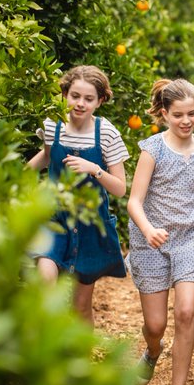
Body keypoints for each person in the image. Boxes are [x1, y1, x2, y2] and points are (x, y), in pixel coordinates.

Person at [126, 78, 194, 385]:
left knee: (186, 312)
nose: (186, 121)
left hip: (190, 240)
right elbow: (134, 201)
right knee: (156, 326)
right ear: (165, 114)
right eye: (179, 115)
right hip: (150, 241)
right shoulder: (152, 149)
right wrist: (149, 229)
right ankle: (153, 352)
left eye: (192, 114)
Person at [27, 65, 130, 326]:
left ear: (100, 100)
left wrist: (95, 170)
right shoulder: (53, 125)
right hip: (54, 219)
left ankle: (83, 363)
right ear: (64, 94)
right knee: (46, 280)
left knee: (82, 307)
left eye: (88, 99)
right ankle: (53, 352)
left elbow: (120, 188)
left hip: (89, 225)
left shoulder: (106, 133)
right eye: (75, 96)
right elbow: (48, 156)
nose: (80, 104)